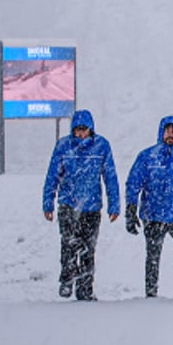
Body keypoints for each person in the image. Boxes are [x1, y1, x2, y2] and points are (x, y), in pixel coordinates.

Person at [42, 109, 120, 301]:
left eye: (84, 130)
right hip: (68, 204)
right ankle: (67, 280)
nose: (81, 134)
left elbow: (110, 177)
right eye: (77, 130)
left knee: (88, 249)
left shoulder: (102, 146)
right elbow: (53, 175)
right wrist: (48, 203)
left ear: (91, 129)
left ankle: (85, 288)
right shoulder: (63, 147)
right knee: (68, 244)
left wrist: (114, 205)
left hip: (92, 207)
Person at [125, 115, 173, 301]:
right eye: (167, 130)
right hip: (153, 215)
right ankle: (151, 293)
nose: (171, 134)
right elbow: (133, 184)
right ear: (161, 132)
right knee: (152, 256)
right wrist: (131, 209)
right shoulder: (147, 157)